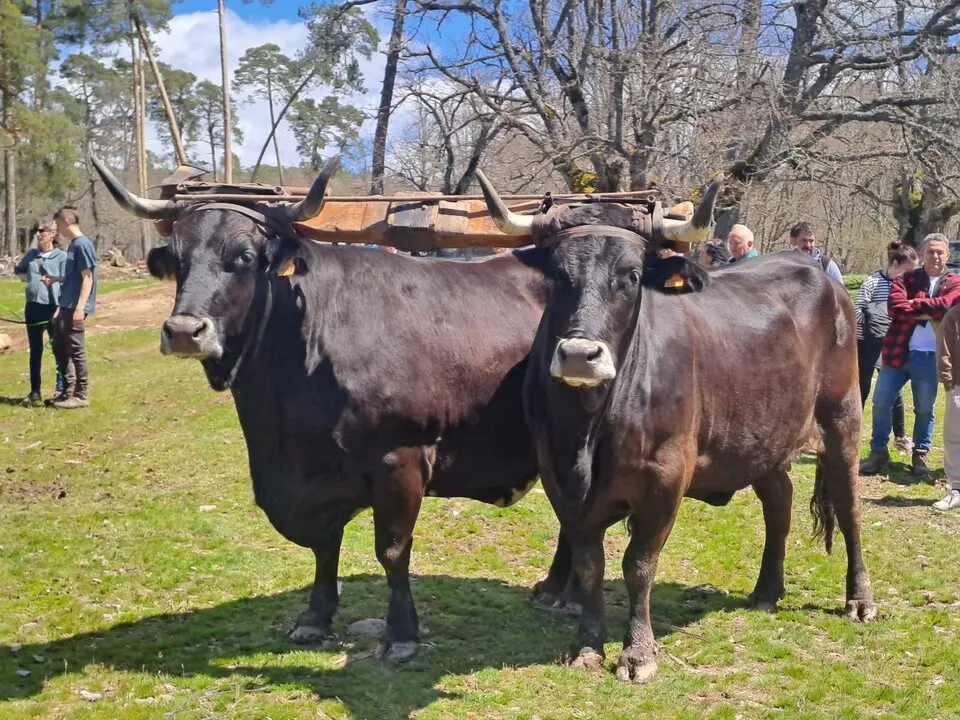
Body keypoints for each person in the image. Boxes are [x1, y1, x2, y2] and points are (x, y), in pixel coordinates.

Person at [861, 233, 960, 477]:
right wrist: (931, 310)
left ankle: (920, 455)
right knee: (881, 401)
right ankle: (878, 452)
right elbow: (894, 306)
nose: (935, 256)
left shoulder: (955, 282)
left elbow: (949, 306)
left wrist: (915, 305)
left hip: (930, 355)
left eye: (940, 252)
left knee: (925, 409)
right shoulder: (907, 278)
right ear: (922, 253)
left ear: (947, 255)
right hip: (897, 351)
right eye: (930, 251)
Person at [855, 241, 919, 453]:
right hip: (867, 343)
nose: (910, 276)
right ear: (895, 263)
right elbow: (857, 310)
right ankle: (852, 431)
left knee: (894, 389)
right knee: (861, 387)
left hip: (893, 344)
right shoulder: (872, 282)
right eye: (907, 270)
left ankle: (900, 435)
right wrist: (874, 323)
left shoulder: (909, 287)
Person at [42, 206, 97, 410]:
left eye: (57, 224)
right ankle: (67, 391)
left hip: (74, 307)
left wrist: (79, 307)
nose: (57, 229)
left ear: (66, 221)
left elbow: (87, 278)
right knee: (60, 348)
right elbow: (74, 277)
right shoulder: (74, 245)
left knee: (76, 351)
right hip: (65, 305)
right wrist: (57, 279)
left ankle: (81, 395)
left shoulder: (83, 244)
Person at [13, 218, 66, 405]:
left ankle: (61, 389)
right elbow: (18, 271)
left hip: (53, 308)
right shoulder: (31, 255)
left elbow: (68, 281)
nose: (38, 234)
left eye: (42, 230)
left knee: (58, 349)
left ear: (52, 233)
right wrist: (30, 281)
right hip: (33, 308)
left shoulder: (61, 257)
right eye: (36, 230)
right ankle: (35, 391)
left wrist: (55, 282)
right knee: (35, 352)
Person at [935, 302, 960, 510]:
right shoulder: (954, 316)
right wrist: (948, 382)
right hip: (958, 386)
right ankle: (956, 489)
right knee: (954, 438)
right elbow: (944, 350)